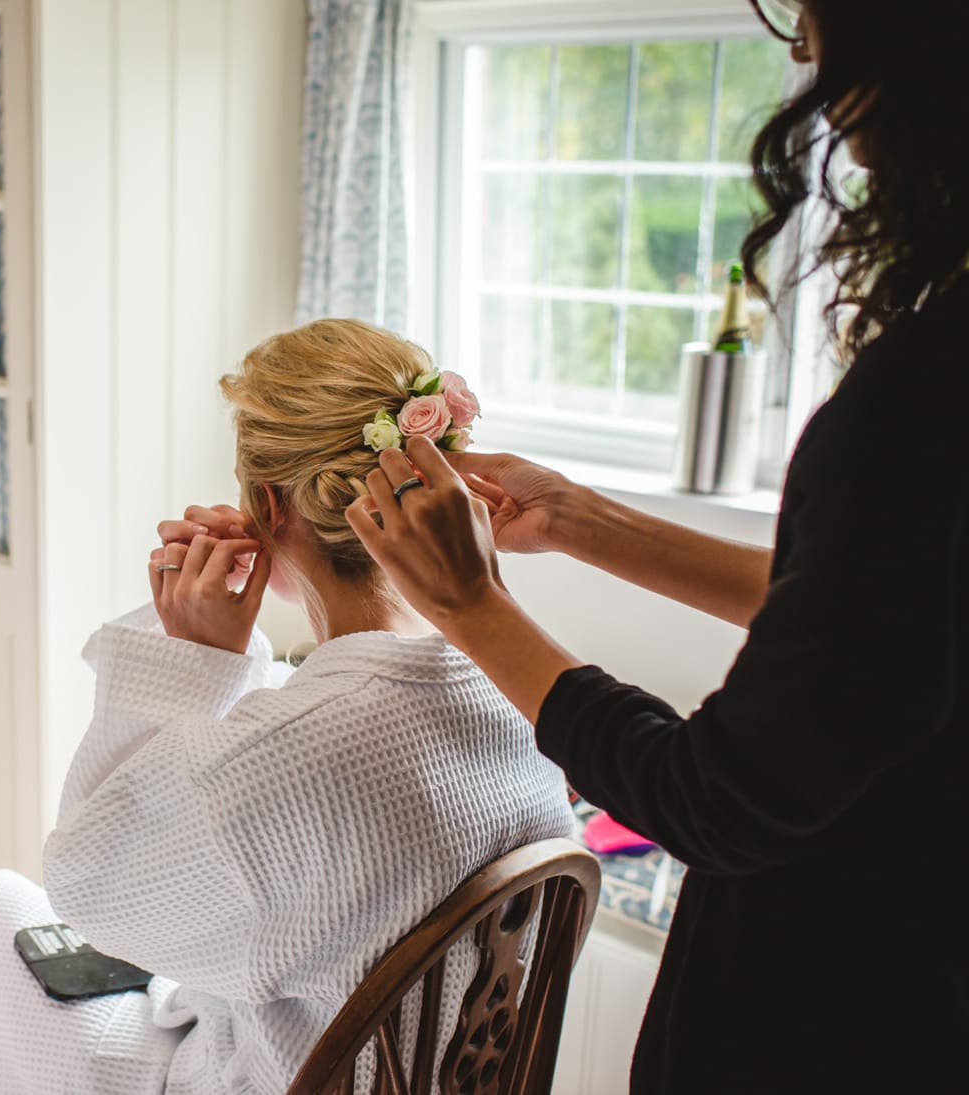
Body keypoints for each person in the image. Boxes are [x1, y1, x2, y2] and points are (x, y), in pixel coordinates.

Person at [345, 1, 969, 1091]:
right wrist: (577, 517)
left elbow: (718, 797)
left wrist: (473, 607)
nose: (803, 49)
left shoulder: (922, 402)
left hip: (851, 1013)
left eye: (812, 15)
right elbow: (878, 615)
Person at [0, 318, 575, 1094]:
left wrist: (192, 664)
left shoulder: (287, 751)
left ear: (268, 505)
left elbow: (90, 888)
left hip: (265, 1081)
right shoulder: (520, 691)